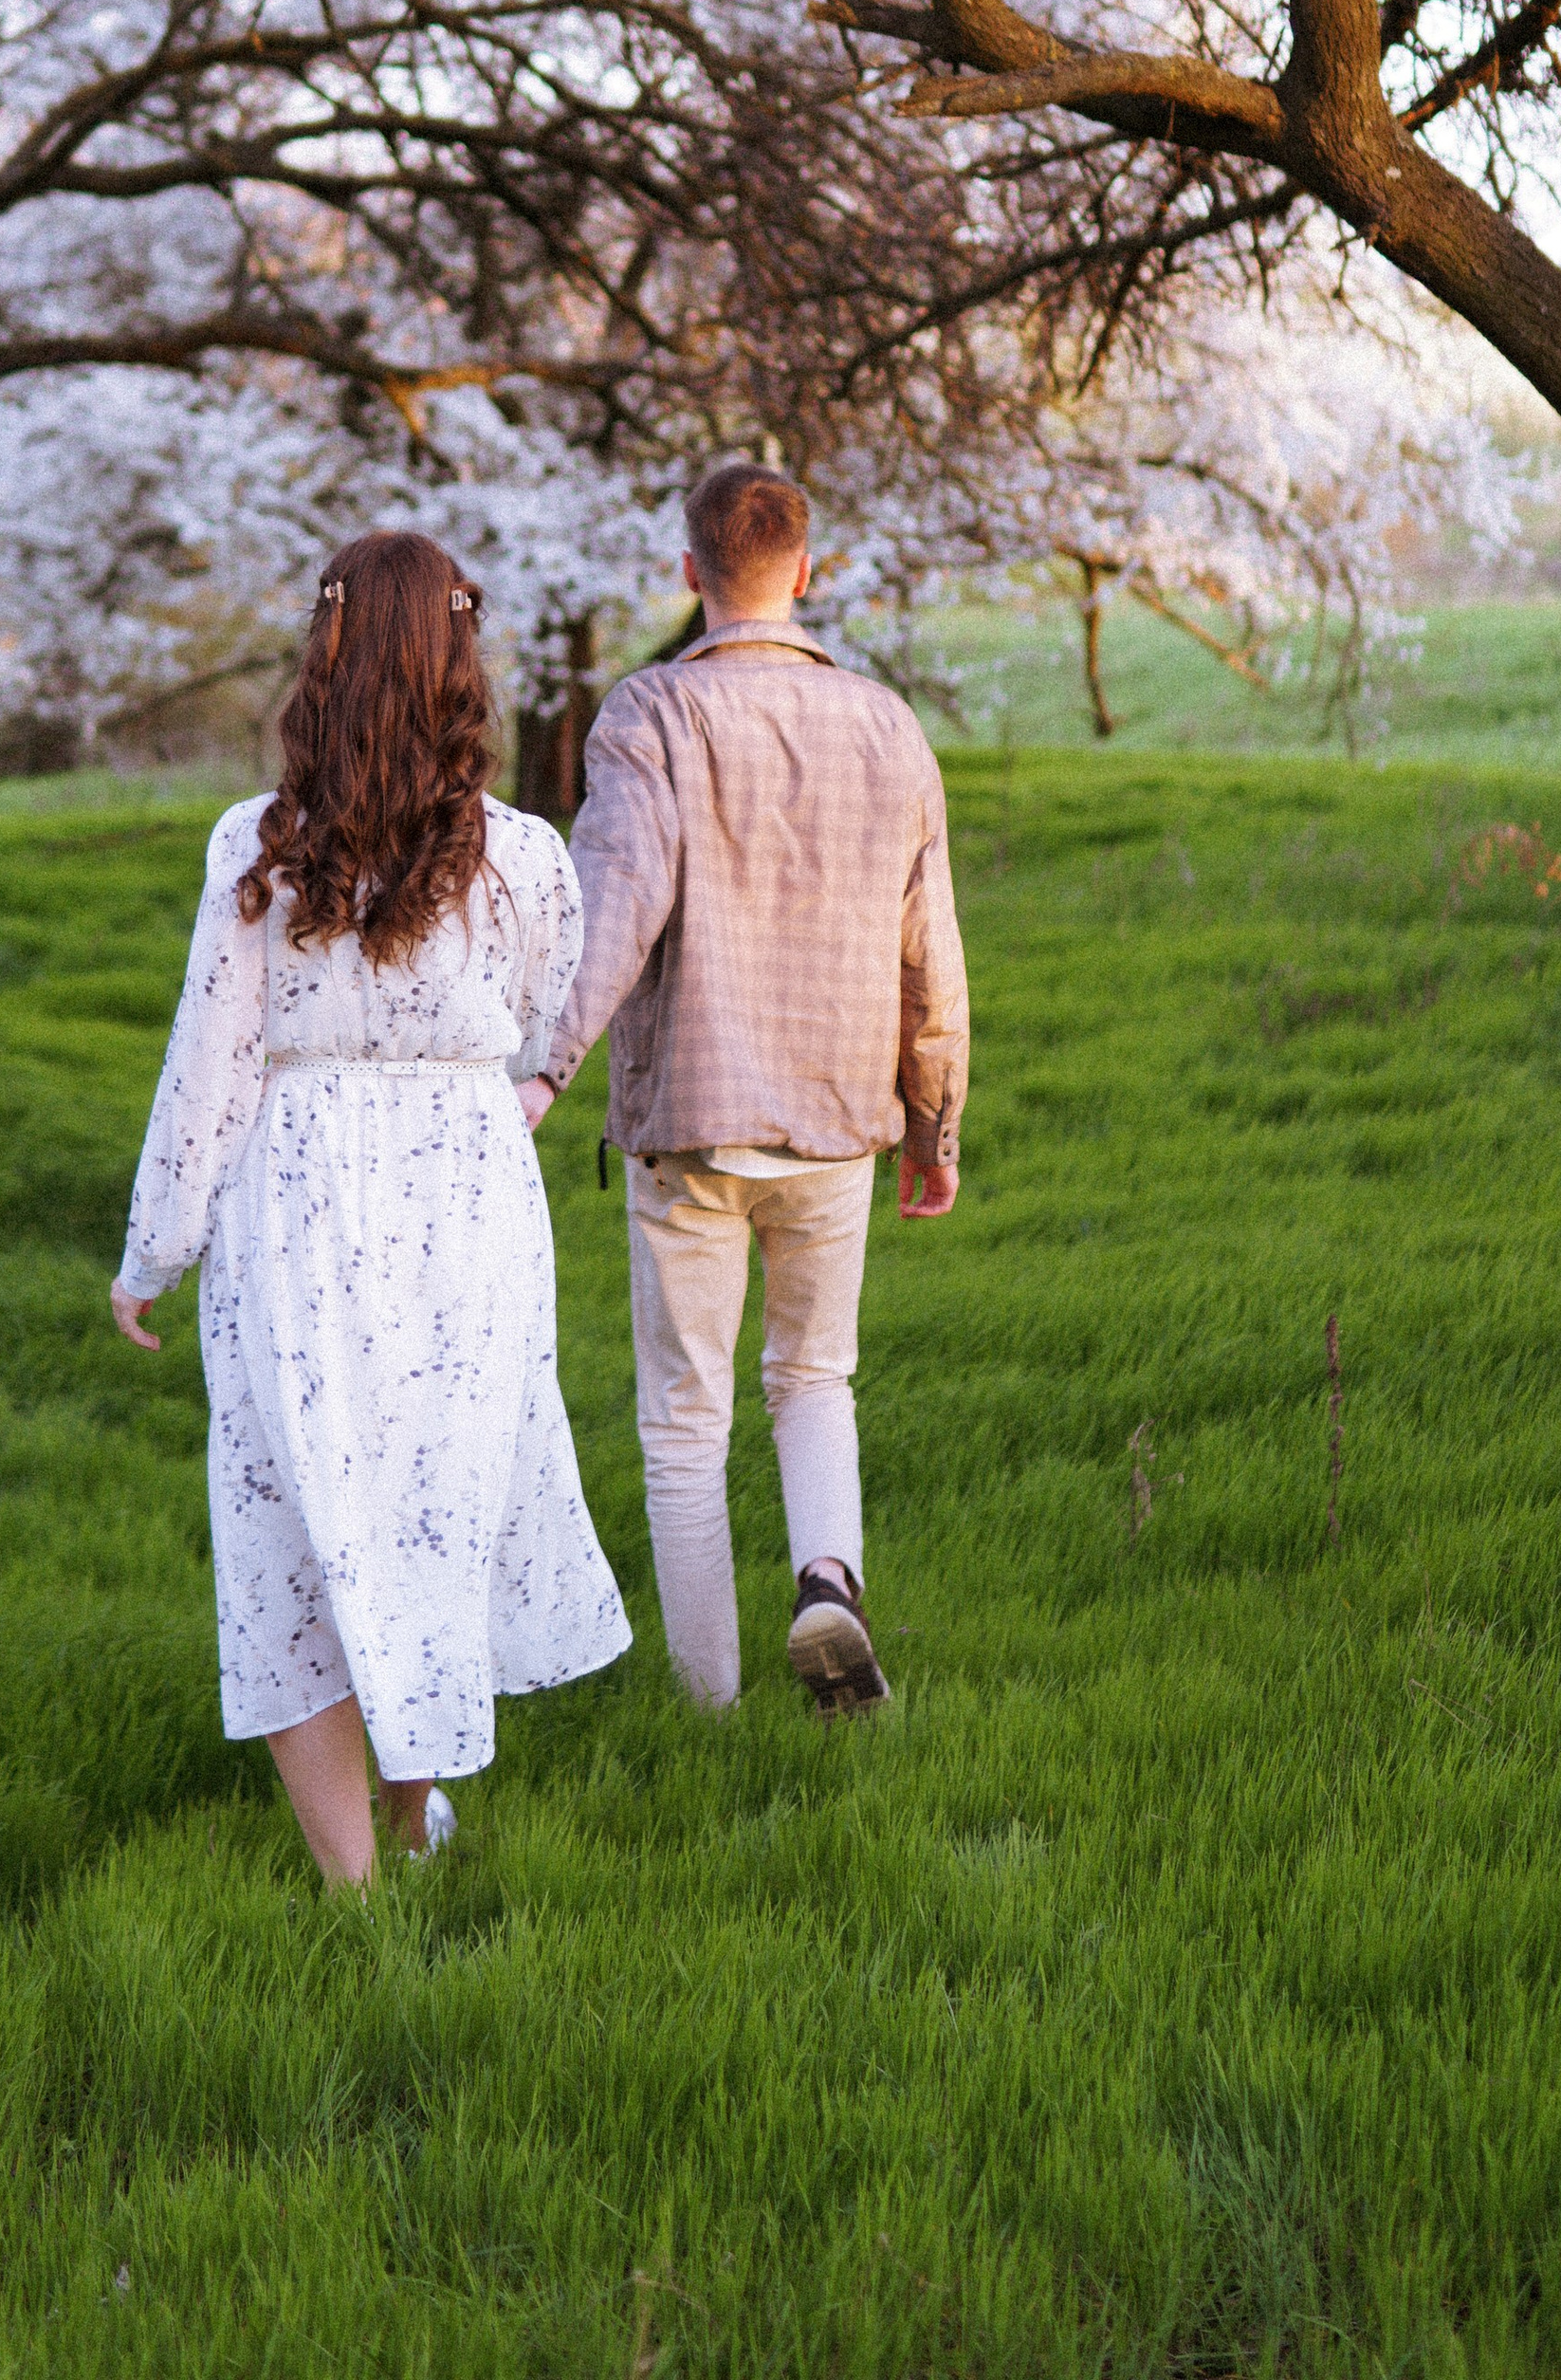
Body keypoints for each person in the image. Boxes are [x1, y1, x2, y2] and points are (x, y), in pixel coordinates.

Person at [111, 529, 630, 1886]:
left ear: (325, 648)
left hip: (301, 1192)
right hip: (467, 1186)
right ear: (462, 655)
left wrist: (154, 1248)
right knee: (431, 1503)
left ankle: (352, 1886)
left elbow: (210, 1063)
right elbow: (535, 1027)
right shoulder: (528, 858)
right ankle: (410, 1822)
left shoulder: (257, 846)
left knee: (296, 1520)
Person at [520, 457, 968, 1718]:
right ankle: (827, 1580)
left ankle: (709, 1710)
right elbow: (928, 947)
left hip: (693, 1123)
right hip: (838, 1121)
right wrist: (935, 1121)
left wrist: (542, 1072)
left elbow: (614, 905)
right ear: (806, 573)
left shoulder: (650, 713)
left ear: (690, 572)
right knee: (814, 1378)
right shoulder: (888, 724)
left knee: (684, 1420)